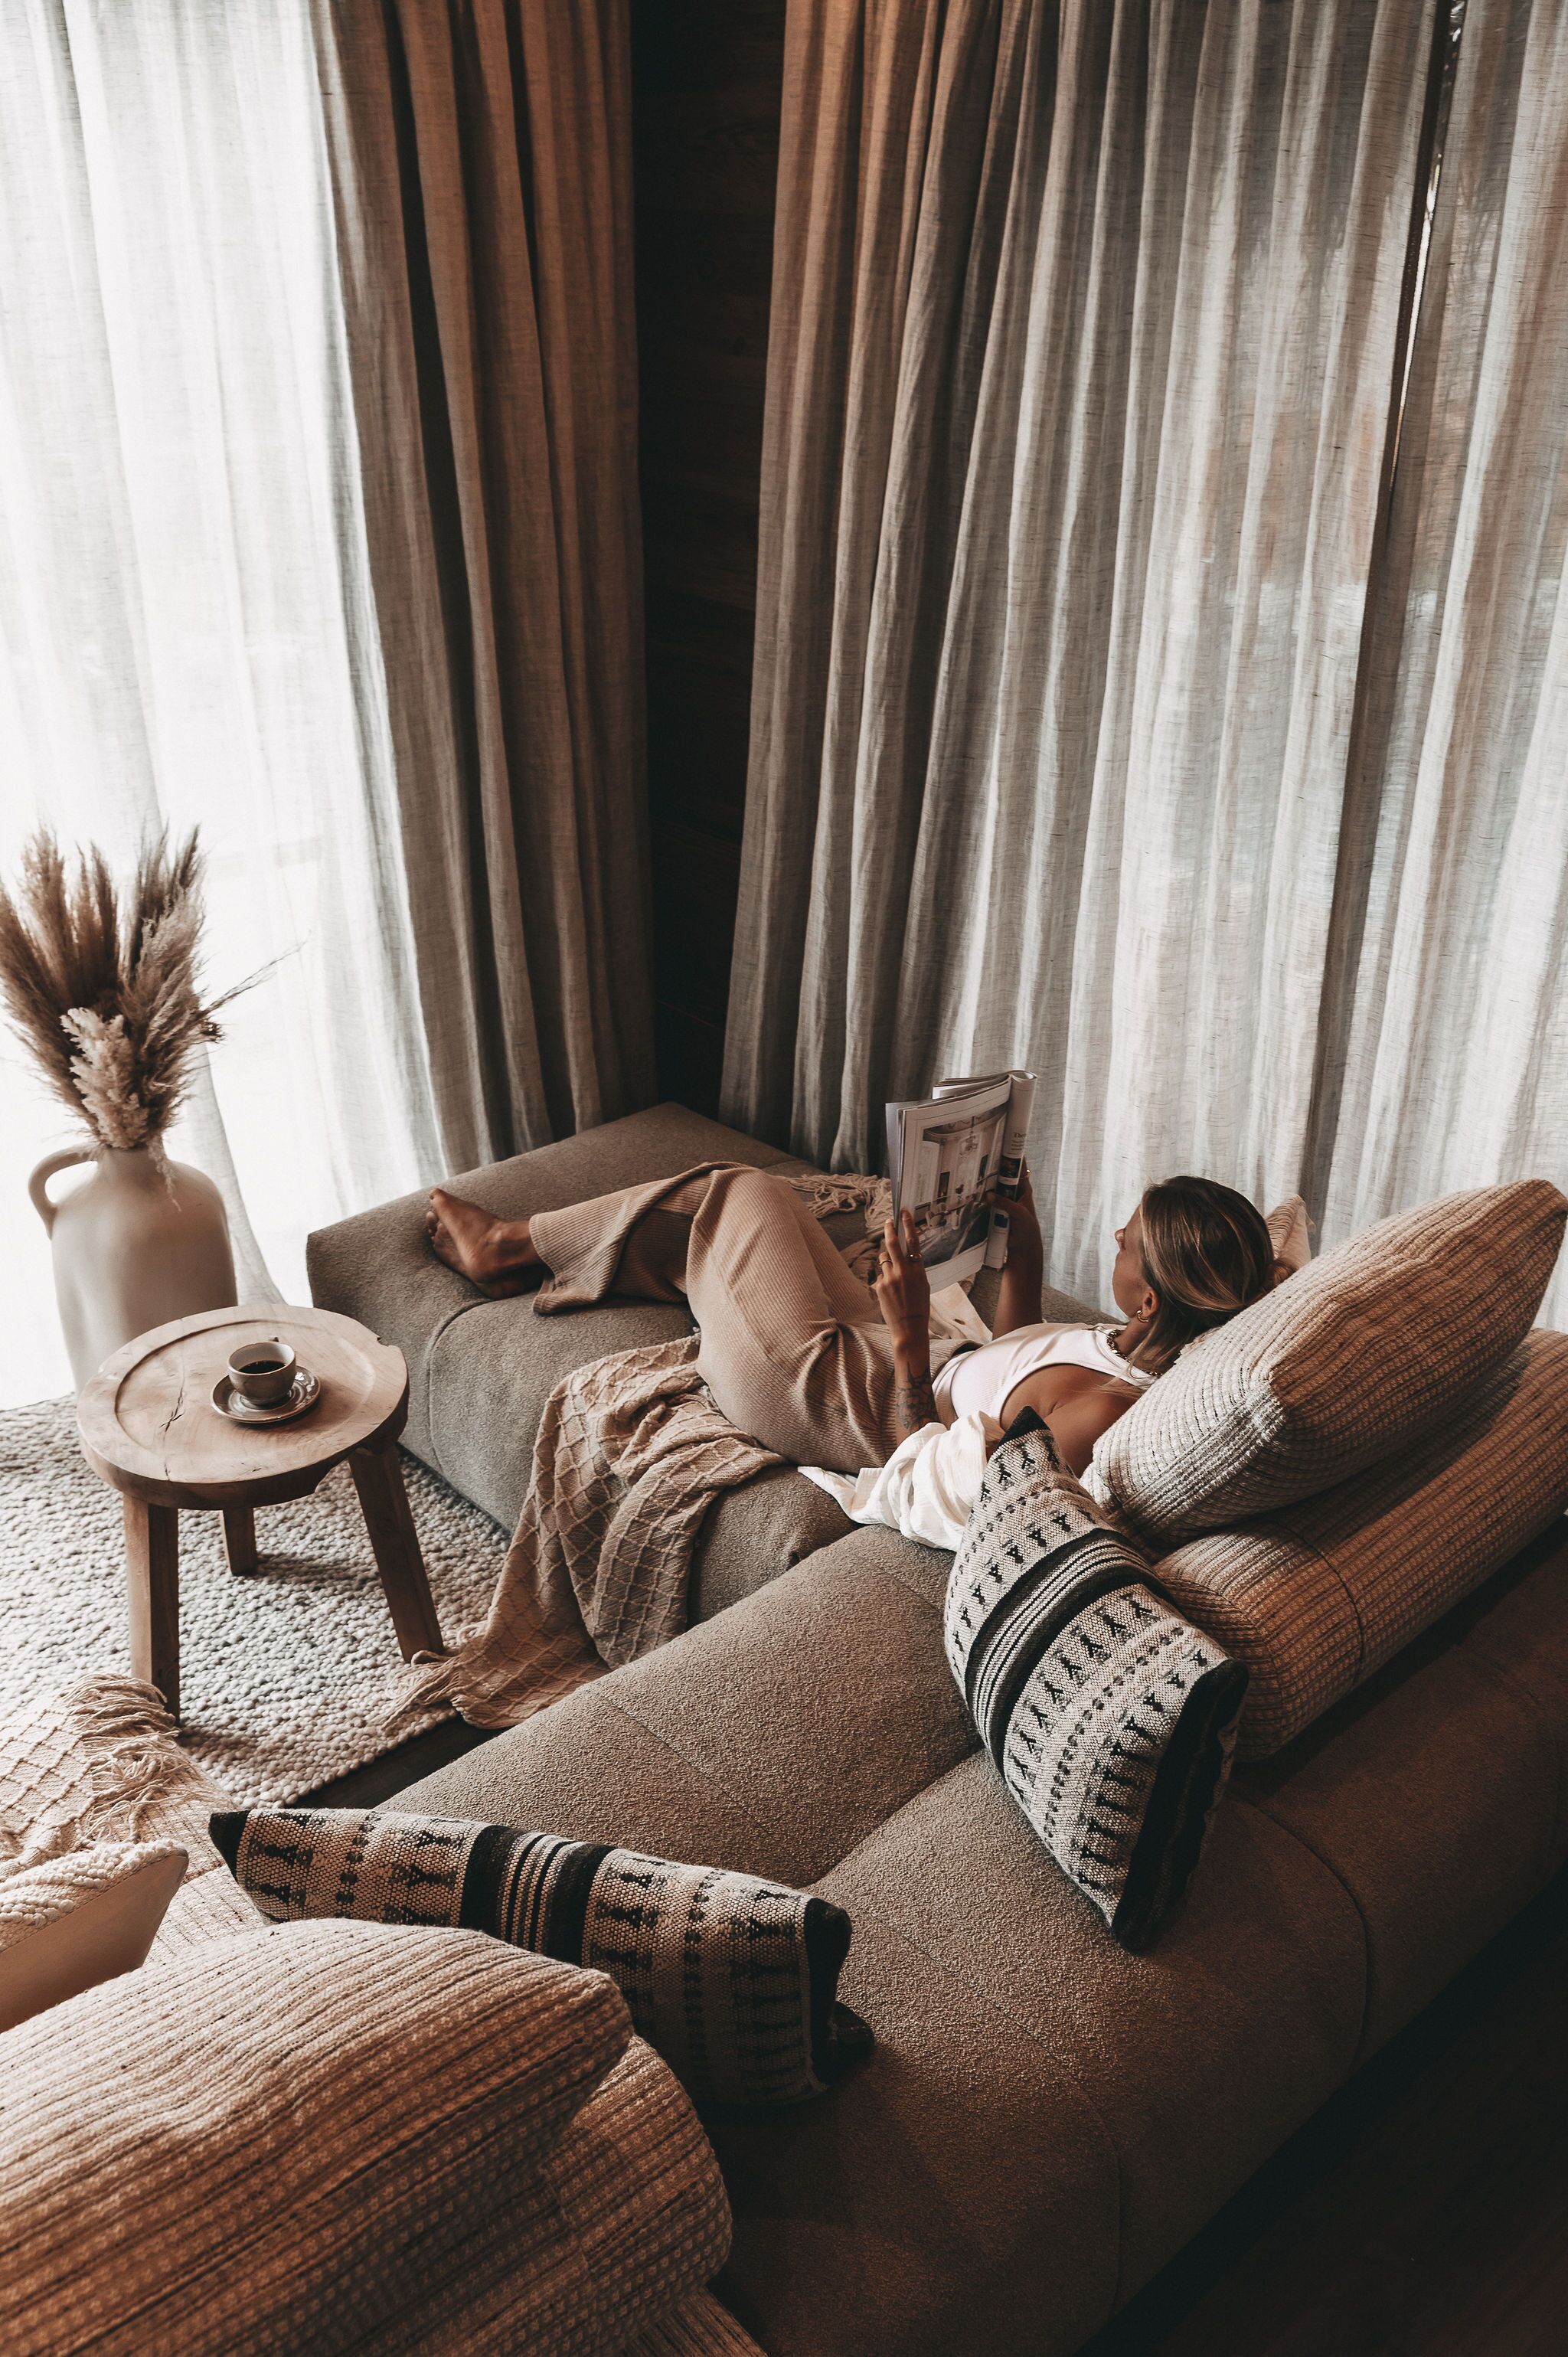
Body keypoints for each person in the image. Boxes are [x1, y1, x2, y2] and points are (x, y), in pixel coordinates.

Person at [425, 1160, 1283, 1483]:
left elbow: (939, 1479)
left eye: (1130, 1239)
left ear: (1147, 1298)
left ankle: (505, 1248)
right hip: (874, 1355)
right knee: (748, 1206)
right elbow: (1015, 1360)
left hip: (832, 1401)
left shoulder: (1102, 1414)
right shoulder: (1122, 1347)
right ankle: (623, 1261)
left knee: (736, 1192)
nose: (1118, 1233)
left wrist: (911, 1342)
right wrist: (1023, 1246)